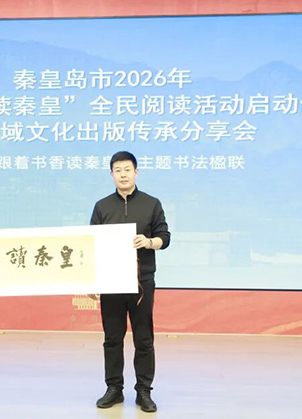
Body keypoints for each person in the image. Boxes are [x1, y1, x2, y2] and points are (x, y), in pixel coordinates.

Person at [90, 151, 170, 413]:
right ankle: (114, 388)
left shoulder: (151, 203)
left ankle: (144, 391)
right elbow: (92, 245)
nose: (123, 175)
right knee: (112, 338)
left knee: (144, 339)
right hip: (111, 282)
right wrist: (93, 280)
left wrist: (149, 242)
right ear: (111, 174)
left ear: (136, 172)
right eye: (118, 170)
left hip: (141, 282)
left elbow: (165, 237)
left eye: (127, 169)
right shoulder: (102, 206)